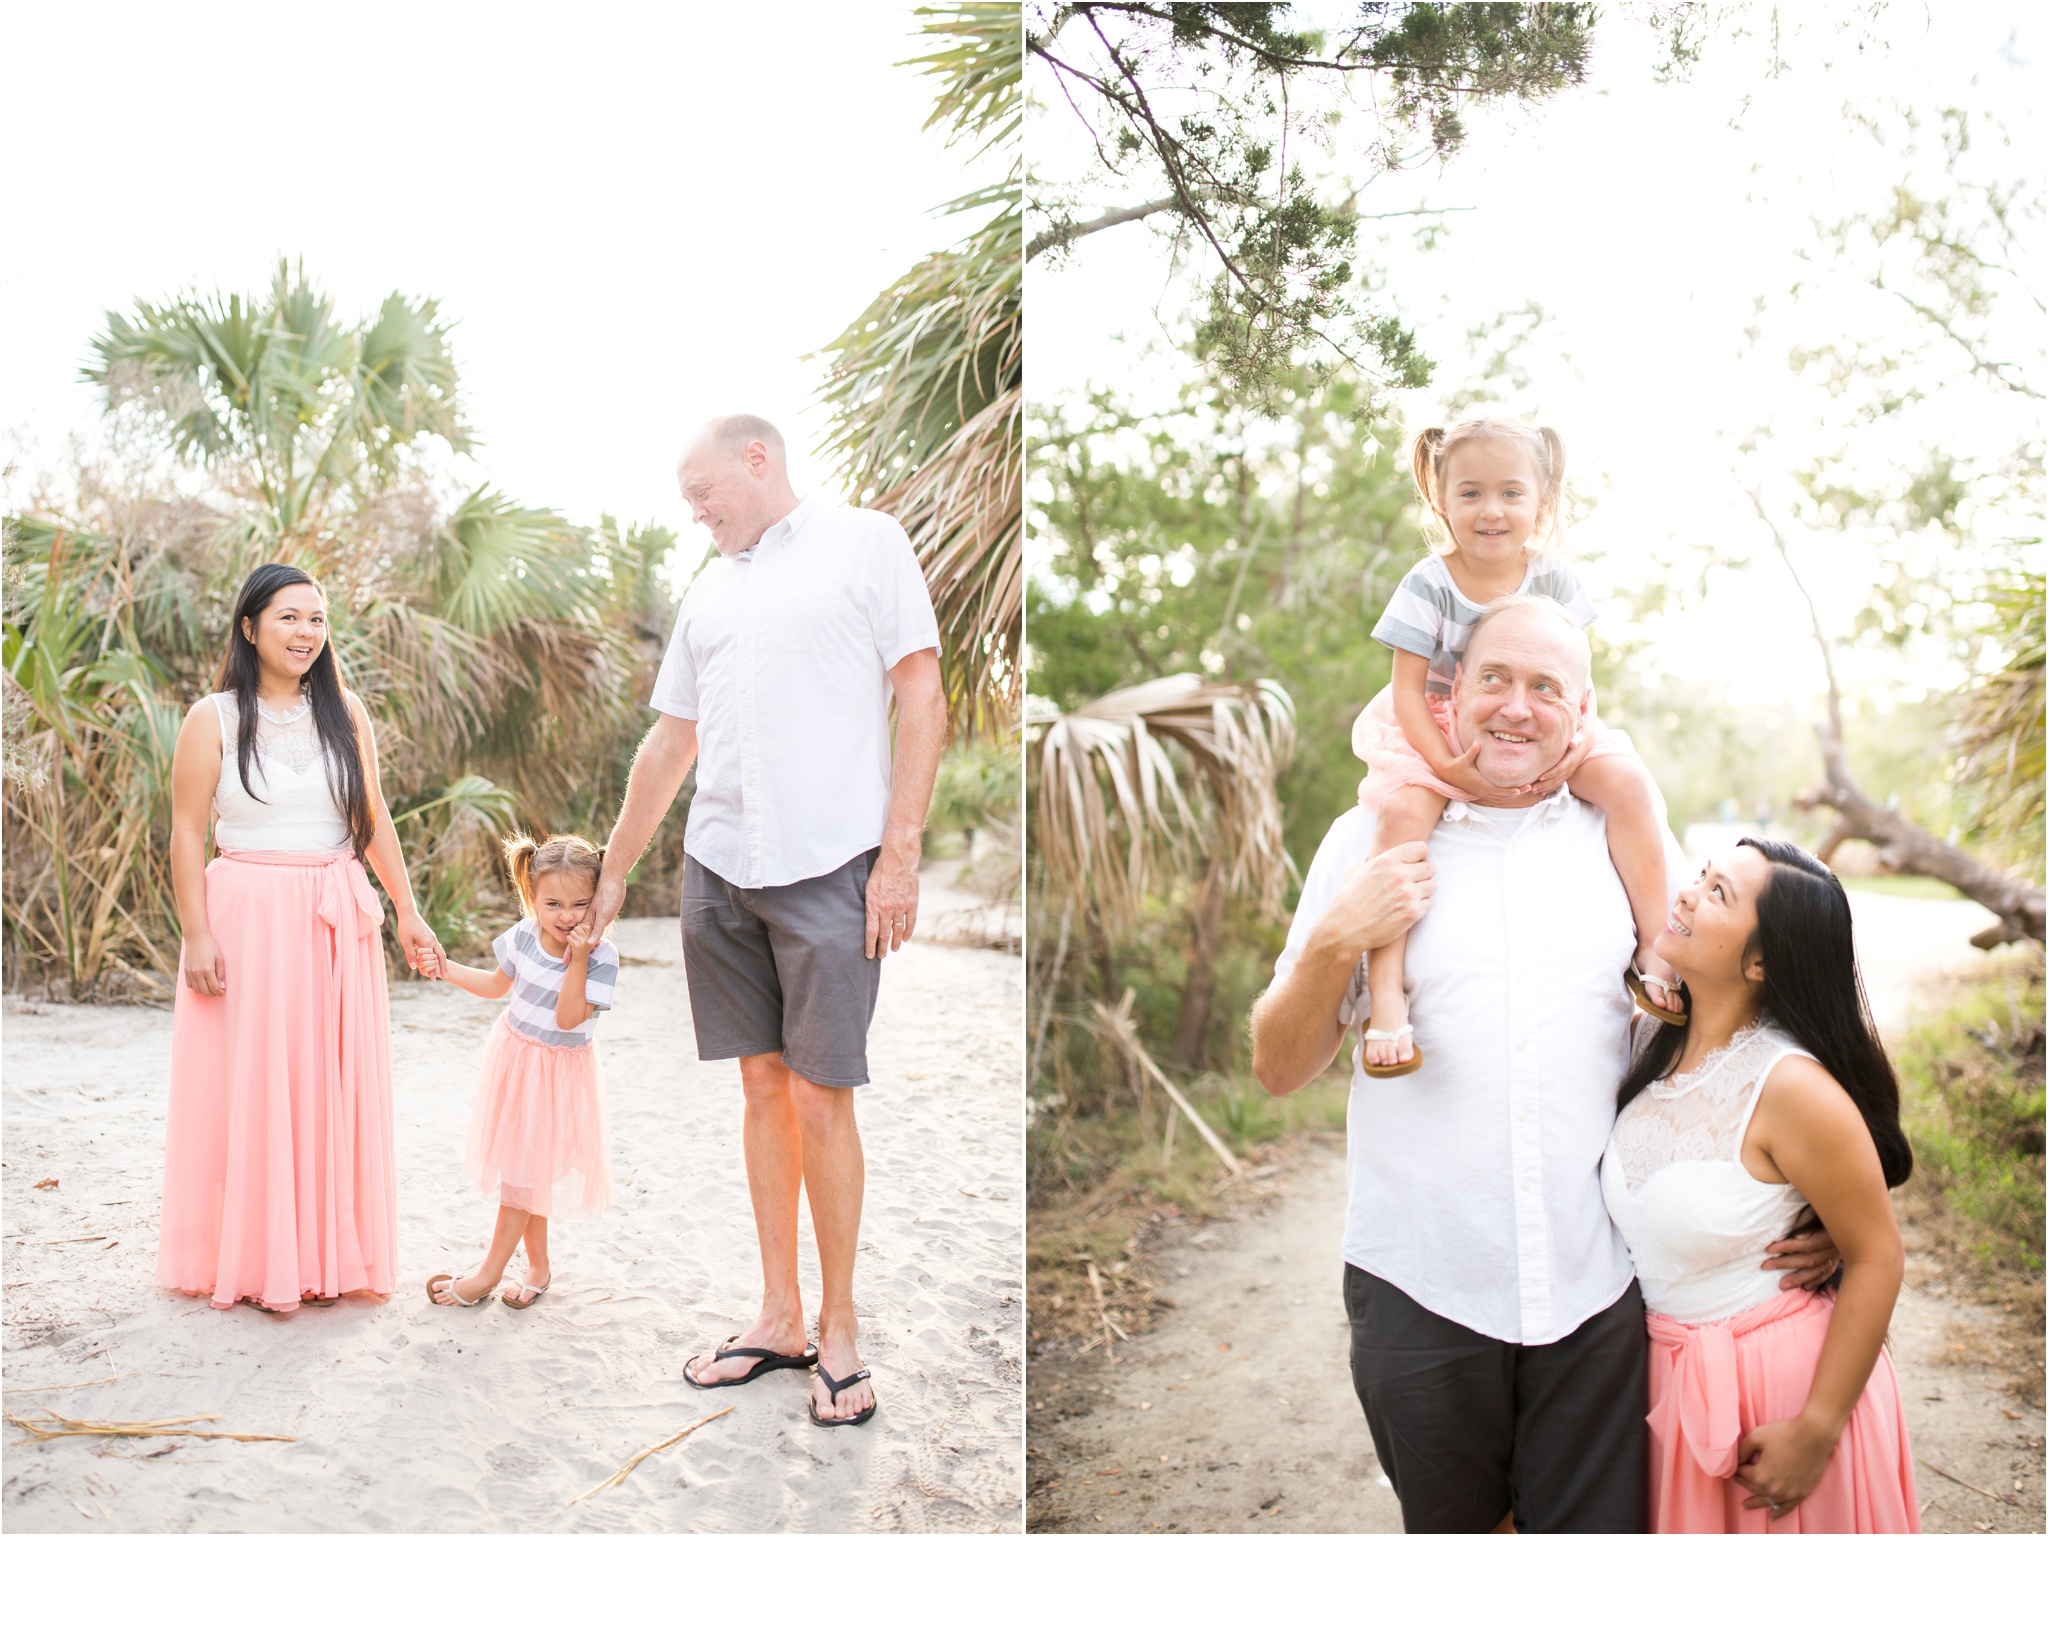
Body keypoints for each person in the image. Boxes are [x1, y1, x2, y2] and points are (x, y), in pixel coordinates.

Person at [1250, 593, 1840, 1533]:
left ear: (1583, 707)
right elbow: (1279, 1069)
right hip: (1420, 1282)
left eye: (1544, 687)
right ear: (1448, 696)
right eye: (1494, 679)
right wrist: (1334, 943)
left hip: (1599, 1287)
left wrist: (1827, 1203)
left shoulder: (1633, 849)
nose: (1515, 707)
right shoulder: (1368, 841)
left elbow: (1744, 1038)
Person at [587, 414, 946, 1428]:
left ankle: (838, 1329)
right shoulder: (710, 588)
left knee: (824, 1097)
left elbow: (920, 692)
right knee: (760, 1090)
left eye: (702, 491)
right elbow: (670, 742)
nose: (692, 512)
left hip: (832, 863)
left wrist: (900, 853)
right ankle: (778, 1317)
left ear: (758, 460)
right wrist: (617, 869)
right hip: (719, 868)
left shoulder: (864, 542)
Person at [1605, 838, 1920, 1531]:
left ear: (1761, 961)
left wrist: (1817, 1427)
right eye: (1703, 877)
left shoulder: (1793, 1087)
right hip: (1666, 1387)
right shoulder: (1643, 1046)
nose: (1687, 893)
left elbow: (1878, 1254)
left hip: (1777, 1396)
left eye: (1719, 894)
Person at [1351, 417, 1683, 1074]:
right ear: (1440, 499)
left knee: (1628, 784)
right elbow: (1410, 693)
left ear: (1541, 502)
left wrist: (1576, 745)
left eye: (1510, 493)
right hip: (1442, 727)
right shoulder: (1428, 583)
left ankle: (1655, 952)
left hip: (1543, 723)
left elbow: (1578, 684)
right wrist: (1447, 767)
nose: (1491, 510)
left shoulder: (1553, 578)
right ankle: (1387, 995)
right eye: (1469, 493)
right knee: (1399, 819)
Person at [157, 563, 443, 1313]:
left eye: (316, 619)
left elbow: (369, 819)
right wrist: (196, 933)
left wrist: (407, 910)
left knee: (329, 1085)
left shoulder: (344, 711)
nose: (306, 633)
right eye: (289, 617)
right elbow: (188, 832)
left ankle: (329, 1255)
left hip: (335, 917)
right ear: (250, 627)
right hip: (247, 918)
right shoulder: (211, 718)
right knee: (255, 1085)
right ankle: (256, 1260)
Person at [420, 834, 618, 1311]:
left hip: (557, 1076)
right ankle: (538, 1268)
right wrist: (446, 969)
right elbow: (495, 986)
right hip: (514, 1061)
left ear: (600, 900)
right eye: (552, 903)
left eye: (579, 904)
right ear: (533, 897)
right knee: (523, 1170)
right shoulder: (525, 935)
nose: (566, 916)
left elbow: (570, 1018)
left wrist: (580, 955)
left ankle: (486, 1275)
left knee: (524, 1177)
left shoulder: (603, 958)